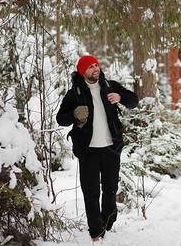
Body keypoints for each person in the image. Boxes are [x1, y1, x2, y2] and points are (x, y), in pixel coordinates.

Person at [56, 55, 138, 241]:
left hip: (111, 147)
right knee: (91, 192)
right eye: (91, 67)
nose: (96, 69)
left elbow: (133, 101)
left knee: (110, 190)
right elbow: (61, 119)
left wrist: (120, 97)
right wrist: (75, 114)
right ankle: (96, 231)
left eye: (97, 65)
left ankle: (107, 223)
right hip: (88, 151)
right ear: (82, 71)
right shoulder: (75, 93)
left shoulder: (110, 86)